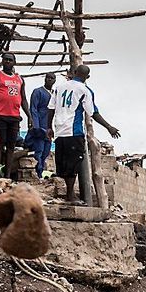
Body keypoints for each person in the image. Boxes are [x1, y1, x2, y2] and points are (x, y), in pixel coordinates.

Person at [46, 65, 121, 204]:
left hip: (59, 131)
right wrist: (109, 127)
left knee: (64, 164)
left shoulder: (59, 87)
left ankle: (69, 194)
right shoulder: (85, 90)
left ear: (74, 73)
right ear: (87, 77)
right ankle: (70, 195)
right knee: (74, 163)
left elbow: (50, 108)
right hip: (74, 131)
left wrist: (48, 127)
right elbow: (93, 113)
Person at [0, 53, 33, 179]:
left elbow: (24, 100)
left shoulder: (20, 79)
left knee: (11, 146)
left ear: (14, 62)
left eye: (10, 60)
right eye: (5, 60)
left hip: (14, 116)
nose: (8, 62)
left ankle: (7, 175)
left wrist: (29, 116)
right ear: (2, 61)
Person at [25, 72, 56, 178]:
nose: (49, 80)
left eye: (52, 78)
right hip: (40, 128)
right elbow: (33, 108)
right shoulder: (38, 92)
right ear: (45, 79)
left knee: (46, 152)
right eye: (48, 78)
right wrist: (36, 126)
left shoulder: (54, 94)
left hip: (49, 128)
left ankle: (41, 173)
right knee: (39, 150)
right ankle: (37, 173)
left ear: (54, 80)